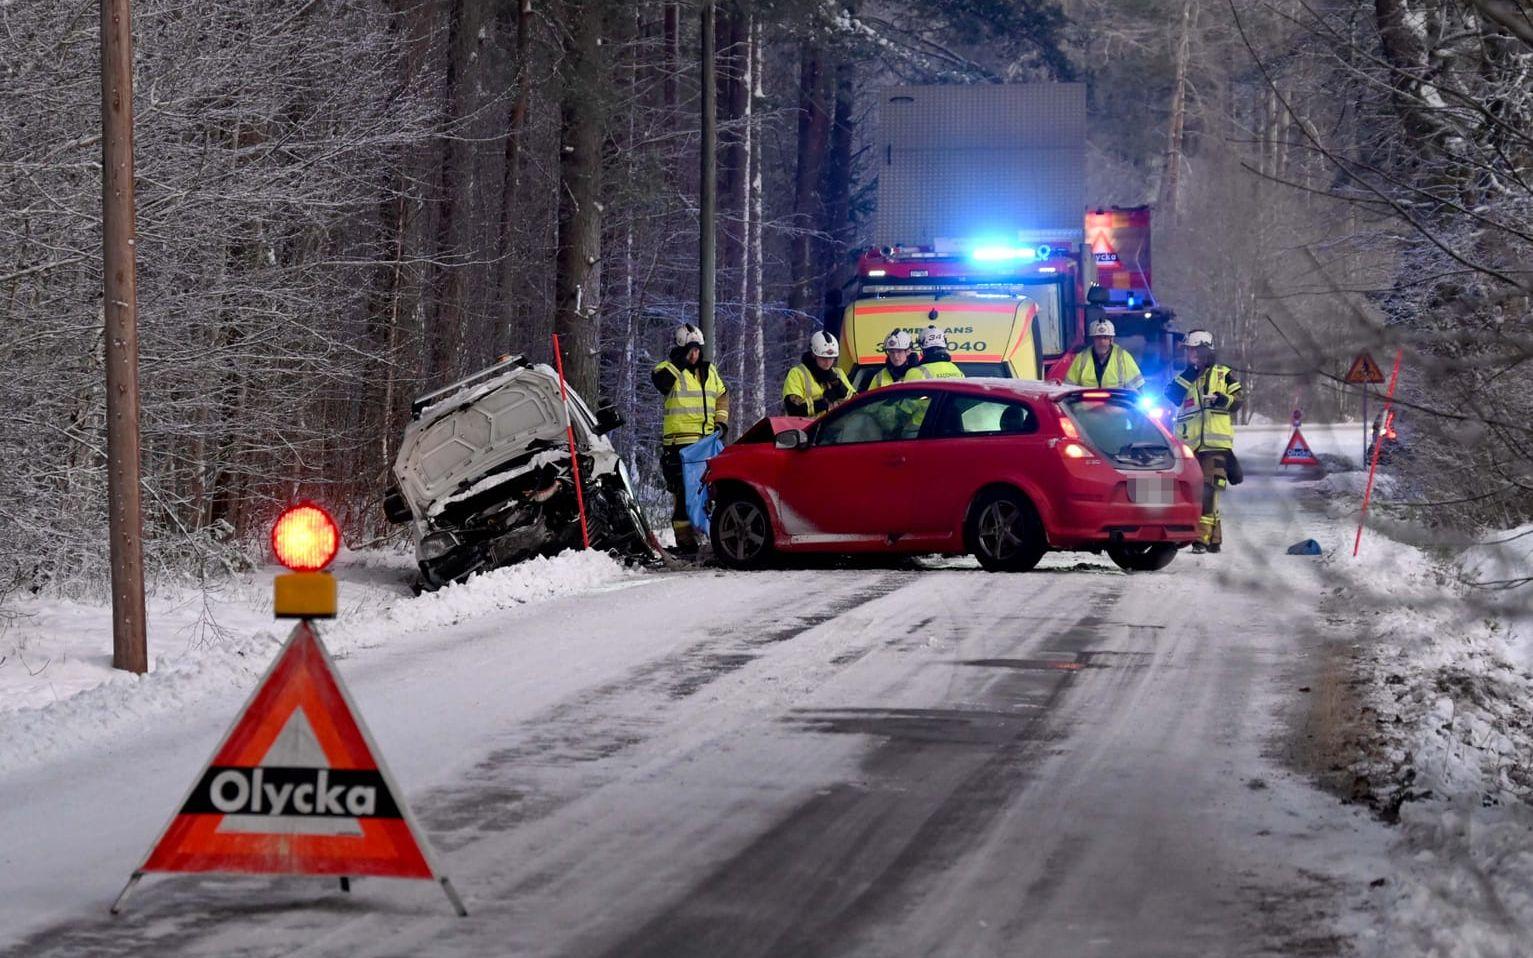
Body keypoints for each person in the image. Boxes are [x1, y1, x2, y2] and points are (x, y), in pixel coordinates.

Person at [652, 323, 729, 555]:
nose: (694, 354)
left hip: (706, 443)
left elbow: (722, 396)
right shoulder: (667, 369)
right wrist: (681, 361)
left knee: (710, 491)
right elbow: (662, 383)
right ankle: (685, 540)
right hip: (680, 445)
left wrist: (721, 423)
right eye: (690, 350)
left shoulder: (710, 371)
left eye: (697, 349)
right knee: (682, 493)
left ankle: (710, 531)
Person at [1163, 329, 1243, 553]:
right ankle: (1214, 540)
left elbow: (1239, 400)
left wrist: (1222, 400)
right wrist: (1190, 374)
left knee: (1209, 490)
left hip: (1215, 446)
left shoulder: (1222, 374)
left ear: (1205, 350)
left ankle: (1201, 539)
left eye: (1194, 350)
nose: (1191, 354)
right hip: (1191, 446)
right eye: (1189, 350)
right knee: (1201, 492)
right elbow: (1170, 394)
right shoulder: (1187, 376)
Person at [783, 331, 854, 416]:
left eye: (831, 358)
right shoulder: (797, 374)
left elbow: (855, 401)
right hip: (809, 428)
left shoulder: (838, 373)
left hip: (836, 427)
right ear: (814, 355)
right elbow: (794, 408)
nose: (828, 362)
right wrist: (823, 403)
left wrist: (839, 386)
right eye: (823, 358)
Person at [1064, 318, 1145, 390]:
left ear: (1111, 339)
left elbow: (1138, 387)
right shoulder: (1082, 358)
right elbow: (1068, 388)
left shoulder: (1123, 357)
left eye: (1105, 337)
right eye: (1098, 337)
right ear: (1093, 339)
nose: (1102, 342)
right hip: (1086, 405)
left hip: (1117, 404)